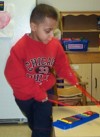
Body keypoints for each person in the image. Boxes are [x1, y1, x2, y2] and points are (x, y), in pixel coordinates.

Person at [4, 4, 79, 137]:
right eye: (48, 31)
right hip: (24, 96)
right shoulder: (20, 48)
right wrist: (35, 92)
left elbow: (62, 65)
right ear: (33, 27)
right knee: (35, 124)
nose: (51, 36)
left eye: (53, 31)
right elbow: (13, 75)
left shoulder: (55, 45)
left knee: (42, 127)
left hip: (45, 91)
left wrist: (71, 77)